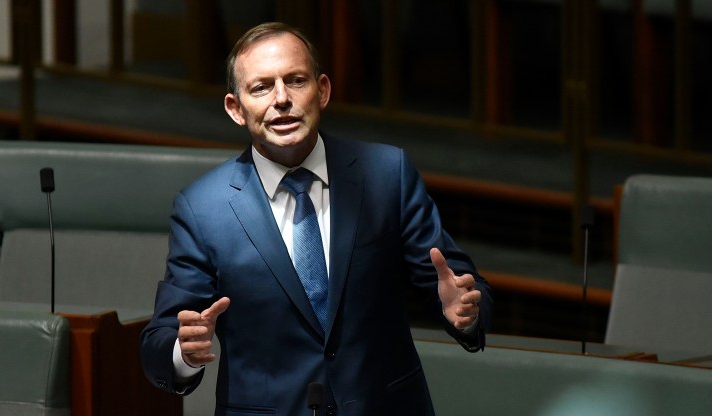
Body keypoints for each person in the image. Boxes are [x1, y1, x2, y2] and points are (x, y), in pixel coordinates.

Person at [140, 21, 493, 416]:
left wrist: (464, 311)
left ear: (322, 90)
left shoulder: (385, 173)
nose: (281, 99)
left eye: (295, 81)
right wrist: (183, 352)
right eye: (261, 87)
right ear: (235, 109)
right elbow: (161, 339)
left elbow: (458, 283)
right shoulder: (202, 208)